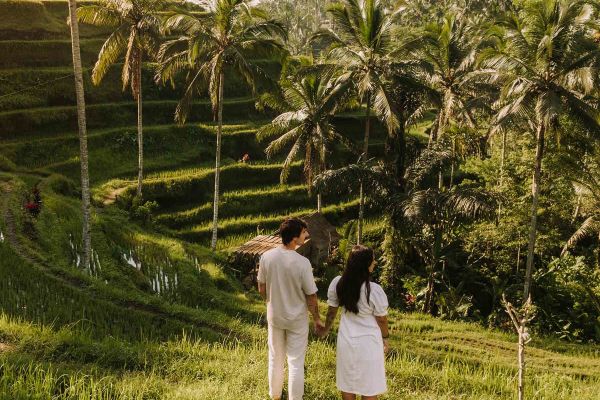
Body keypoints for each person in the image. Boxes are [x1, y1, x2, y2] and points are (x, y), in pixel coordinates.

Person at [257, 217, 324, 400]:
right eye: (304, 232)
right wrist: (317, 319)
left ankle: (275, 396)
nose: (307, 235)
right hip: (297, 320)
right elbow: (311, 296)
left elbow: (261, 288)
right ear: (295, 237)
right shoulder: (302, 263)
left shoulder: (267, 257)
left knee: (275, 359)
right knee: (295, 362)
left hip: (275, 316)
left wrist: (270, 302)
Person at [321, 245, 390, 400]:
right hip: (369, 343)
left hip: (346, 340)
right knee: (370, 385)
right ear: (365, 264)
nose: (375, 262)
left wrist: (326, 329)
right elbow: (382, 319)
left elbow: (332, 312)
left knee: (348, 382)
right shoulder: (373, 290)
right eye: (373, 260)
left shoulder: (339, 283)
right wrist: (385, 337)